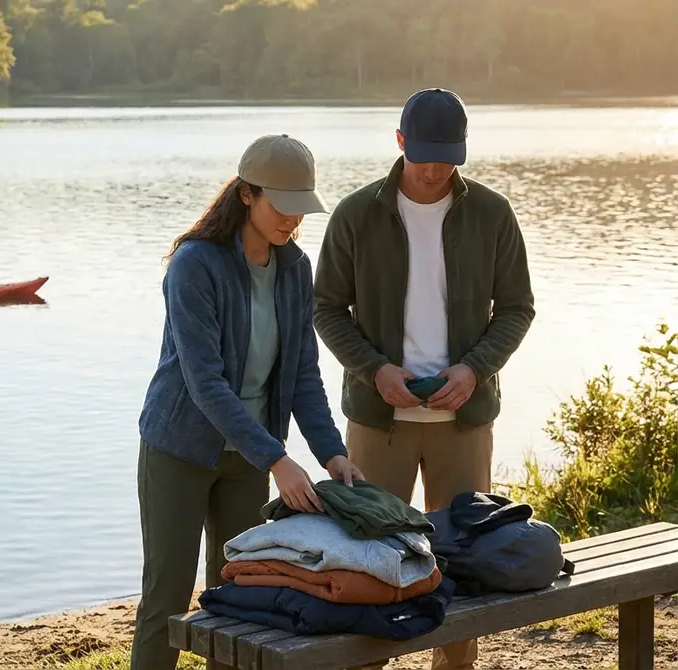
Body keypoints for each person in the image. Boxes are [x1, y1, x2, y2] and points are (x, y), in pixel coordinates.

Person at [313, 88, 535, 670]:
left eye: (447, 157)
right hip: (378, 419)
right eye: (423, 156)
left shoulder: (492, 213)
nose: (435, 170)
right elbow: (326, 310)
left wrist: (475, 368)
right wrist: (374, 369)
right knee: (370, 559)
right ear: (399, 141)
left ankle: (454, 665)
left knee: (465, 562)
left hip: (464, 420)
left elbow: (516, 308)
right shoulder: (356, 214)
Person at [133, 134, 365, 670]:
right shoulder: (194, 265)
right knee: (166, 600)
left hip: (250, 457)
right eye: (280, 205)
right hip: (180, 450)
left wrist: (332, 453)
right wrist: (278, 461)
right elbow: (205, 383)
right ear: (246, 194)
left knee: (239, 597)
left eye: (300, 207)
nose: (292, 219)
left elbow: (303, 375)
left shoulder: (295, 268)